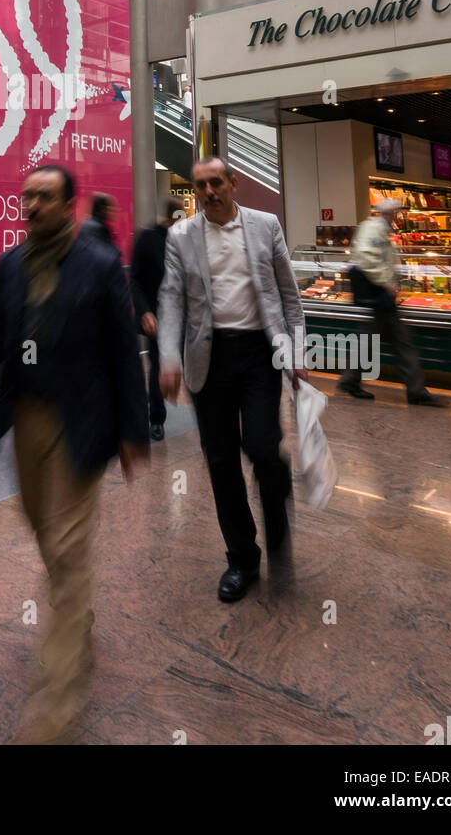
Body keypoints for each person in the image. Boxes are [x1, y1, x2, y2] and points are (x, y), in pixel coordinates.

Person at [0, 164, 149, 743]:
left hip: (82, 423)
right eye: (26, 196)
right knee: (43, 533)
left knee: (65, 547)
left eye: (44, 197)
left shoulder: (101, 264)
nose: (30, 206)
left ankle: (52, 715)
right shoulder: (10, 265)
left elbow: (123, 350)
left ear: (68, 206)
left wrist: (134, 432)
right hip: (27, 419)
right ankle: (78, 615)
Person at [158, 156, 305, 603]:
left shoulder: (265, 225)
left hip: (261, 352)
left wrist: (296, 351)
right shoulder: (180, 236)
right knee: (221, 461)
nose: (208, 192)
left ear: (233, 183)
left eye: (216, 182)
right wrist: (168, 356)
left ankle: (277, 514)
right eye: (200, 186)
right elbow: (171, 300)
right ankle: (242, 558)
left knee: (263, 448)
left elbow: (288, 292)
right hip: (210, 358)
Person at [343, 199, 446, 407]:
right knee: (398, 342)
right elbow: (366, 257)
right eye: (396, 213)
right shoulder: (374, 228)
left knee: (393, 341)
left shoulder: (379, 228)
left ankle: (352, 380)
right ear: (388, 213)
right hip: (378, 294)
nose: (397, 216)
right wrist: (386, 282)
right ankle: (415, 391)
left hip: (382, 296)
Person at [130, 197, 185, 443]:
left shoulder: (185, 240)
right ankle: (157, 419)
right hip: (157, 317)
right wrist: (144, 312)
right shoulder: (148, 238)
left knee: (191, 365)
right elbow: (135, 280)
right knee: (158, 366)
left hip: (184, 316)